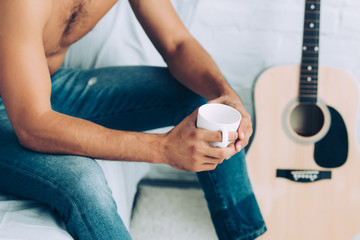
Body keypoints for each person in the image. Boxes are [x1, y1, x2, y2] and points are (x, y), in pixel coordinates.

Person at [0, 0, 266, 239]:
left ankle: (245, 235)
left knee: (208, 100)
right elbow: (33, 125)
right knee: (82, 180)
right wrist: (162, 148)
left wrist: (226, 94)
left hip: (47, 84)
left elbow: (177, 43)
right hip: (21, 112)